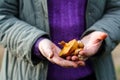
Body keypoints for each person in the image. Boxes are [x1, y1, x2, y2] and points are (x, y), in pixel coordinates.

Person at [0, 0, 120, 80]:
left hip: (96, 73)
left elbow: (116, 9)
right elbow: (2, 15)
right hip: (26, 74)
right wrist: (36, 43)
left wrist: (101, 32)